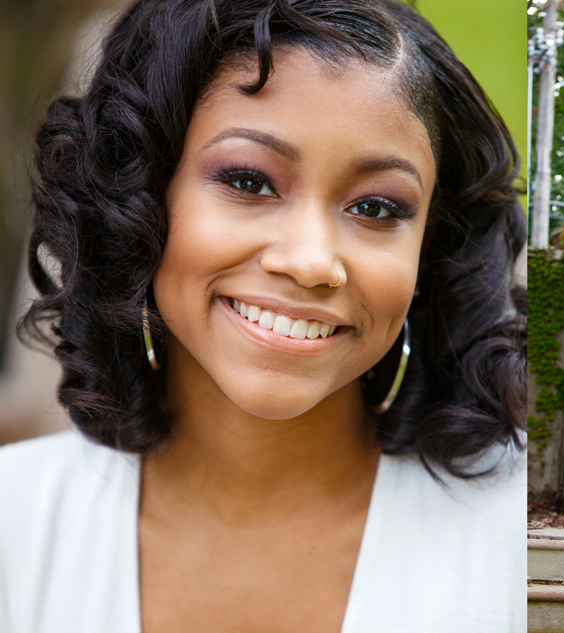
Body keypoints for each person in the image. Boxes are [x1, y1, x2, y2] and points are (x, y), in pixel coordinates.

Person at [0, 1, 526, 631]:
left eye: (378, 208)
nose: (311, 261)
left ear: (431, 247)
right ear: (138, 202)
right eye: (250, 181)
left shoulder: (513, 538)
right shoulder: (17, 525)